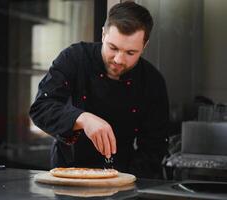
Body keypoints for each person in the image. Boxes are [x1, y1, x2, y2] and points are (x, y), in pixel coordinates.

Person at [29, 1, 169, 179]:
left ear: (144, 46)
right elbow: (41, 108)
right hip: (69, 174)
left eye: (130, 53)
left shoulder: (152, 81)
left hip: (123, 178)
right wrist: (82, 118)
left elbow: (154, 148)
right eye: (113, 48)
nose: (119, 59)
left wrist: (126, 183)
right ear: (103, 34)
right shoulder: (75, 58)